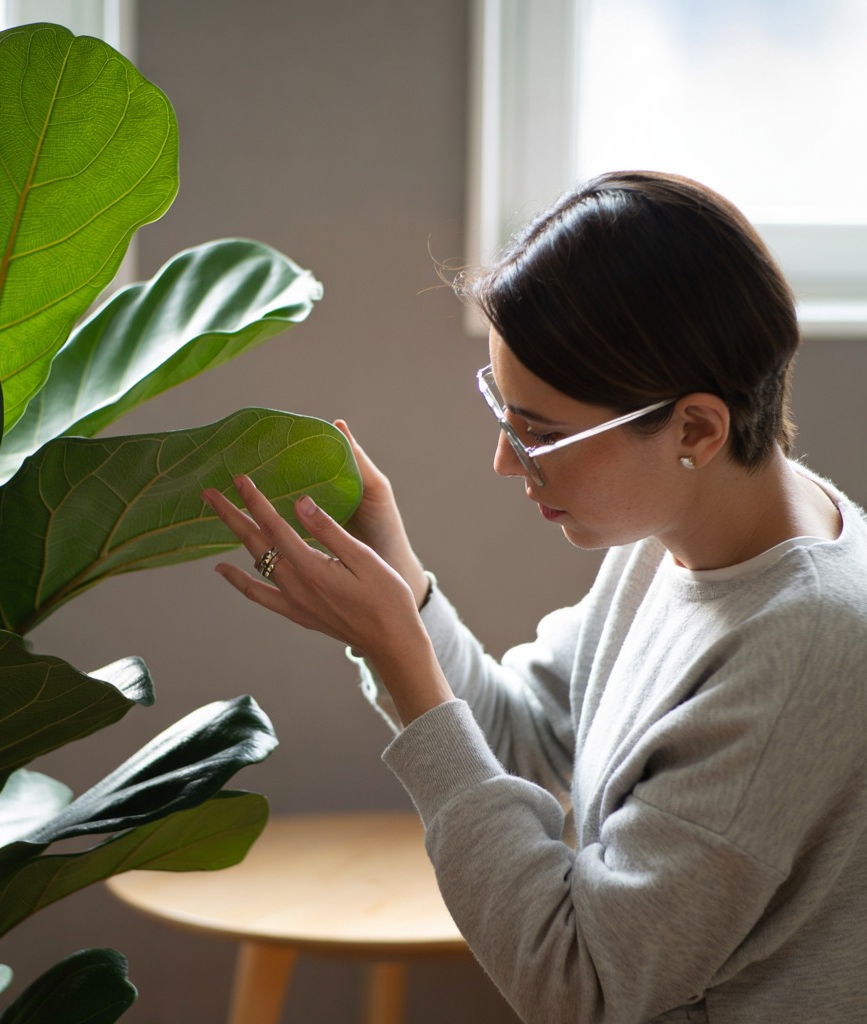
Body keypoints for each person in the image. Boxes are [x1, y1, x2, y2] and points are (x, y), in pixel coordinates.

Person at [200, 171, 867, 1023]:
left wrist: (405, 664)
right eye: (504, 415)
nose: (507, 463)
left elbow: (581, 984)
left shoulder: (805, 646)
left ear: (696, 428)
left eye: (542, 434)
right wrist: (400, 589)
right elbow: (524, 736)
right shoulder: (690, 536)